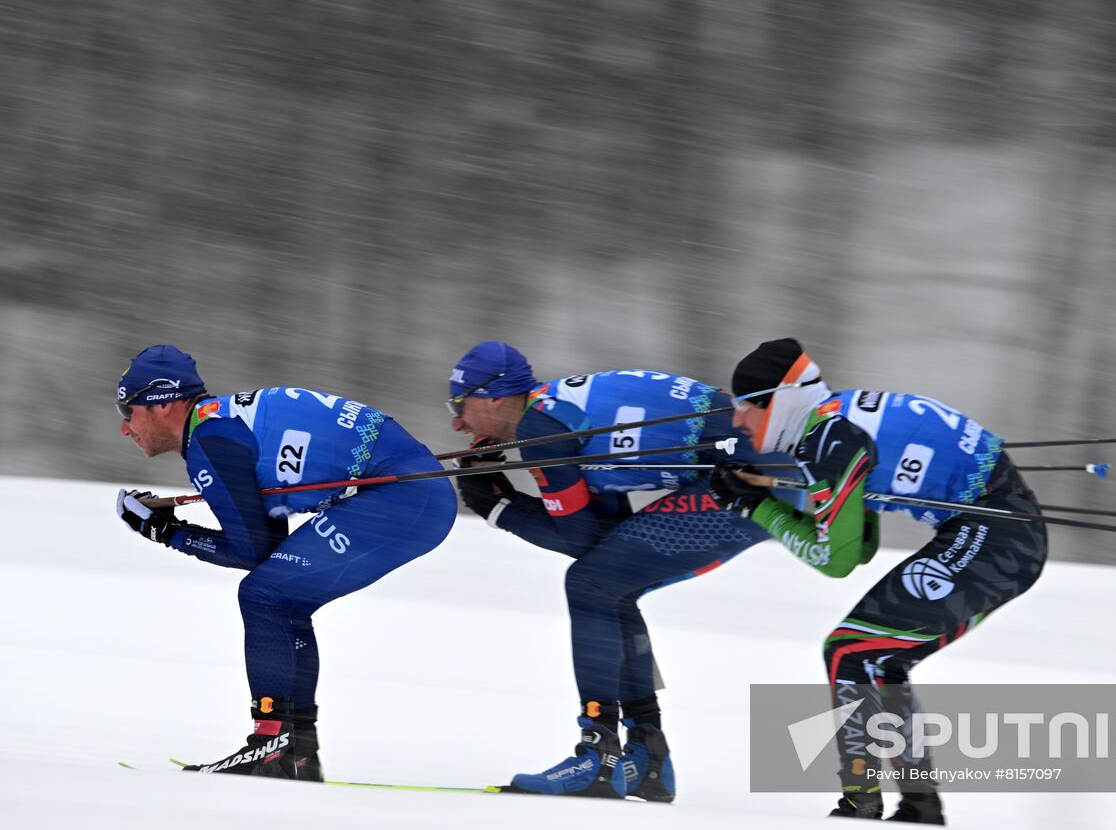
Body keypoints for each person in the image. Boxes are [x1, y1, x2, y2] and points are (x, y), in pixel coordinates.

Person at [709, 338, 1048, 824]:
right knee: (870, 656)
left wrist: (754, 506)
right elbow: (861, 544)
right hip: (997, 525)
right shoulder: (832, 422)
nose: (738, 422)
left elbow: (835, 558)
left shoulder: (829, 441)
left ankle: (864, 801)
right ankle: (915, 804)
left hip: (998, 536)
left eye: (746, 410)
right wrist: (774, 493)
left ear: (777, 402)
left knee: (850, 651)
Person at [445, 341, 786, 801]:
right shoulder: (554, 410)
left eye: (459, 406)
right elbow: (600, 540)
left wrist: (500, 508)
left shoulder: (541, 427)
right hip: (766, 469)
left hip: (751, 478)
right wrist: (504, 502)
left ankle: (598, 756)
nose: (457, 424)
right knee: (608, 583)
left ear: (493, 399)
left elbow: (580, 541)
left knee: (591, 582)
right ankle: (646, 756)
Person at [114, 344, 457, 780]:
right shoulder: (219, 425)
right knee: (280, 599)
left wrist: (168, 533)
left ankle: (272, 744)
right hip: (410, 492)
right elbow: (266, 545)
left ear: (163, 404)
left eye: (129, 411)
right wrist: (173, 530)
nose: (125, 428)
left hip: (401, 498)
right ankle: (296, 751)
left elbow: (252, 551)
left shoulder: (212, 440)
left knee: (264, 594)